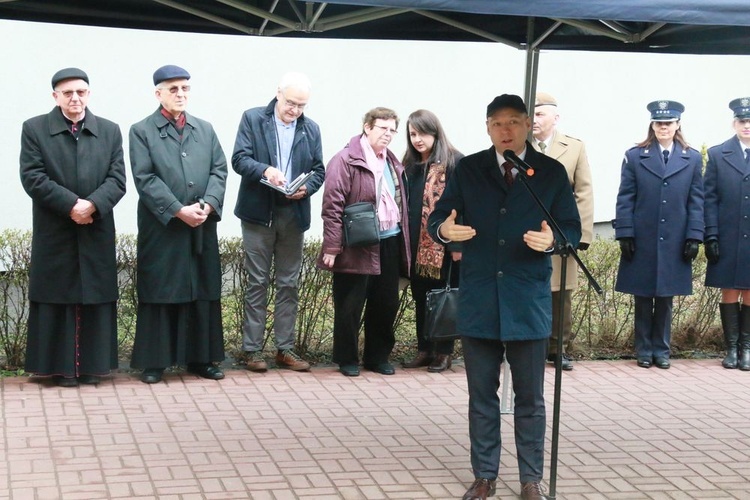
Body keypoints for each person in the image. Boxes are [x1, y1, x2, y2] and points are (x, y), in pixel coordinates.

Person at [428, 94, 581, 500]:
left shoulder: (548, 172)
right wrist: (444, 231)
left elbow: (572, 228)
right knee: (482, 396)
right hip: (480, 297)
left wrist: (553, 241)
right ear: (488, 128)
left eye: (514, 122)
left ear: (528, 125)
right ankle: (485, 477)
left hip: (527, 299)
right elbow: (438, 216)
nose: (506, 131)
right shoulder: (469, 168)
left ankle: (531, 479)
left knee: (530, 397)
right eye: (497, 124)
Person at [20, 67, 126, 388]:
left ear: (89, 94)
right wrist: (71, 205)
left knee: (94, 295)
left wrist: (92, 204)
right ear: (56, 97)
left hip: (96, 227)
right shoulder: (35, 129)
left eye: (81, 92)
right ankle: (59, 369)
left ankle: (93, 368)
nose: (75, 98)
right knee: (58, 296)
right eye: (68, 93)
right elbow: (33, 177)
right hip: (56, 229)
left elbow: (118, 179)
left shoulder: (109, 130)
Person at [129, 65, 228, 384]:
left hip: (202, 223)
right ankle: (155, 362)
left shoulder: (205, 128)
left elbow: (219, 170)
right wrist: (177, 209)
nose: (181, 94)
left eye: (185, 88)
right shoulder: (141, 130)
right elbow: (145, 178)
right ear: (158, 93)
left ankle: (201, 359)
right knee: (161, 288)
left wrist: (209, 204)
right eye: (173, 89)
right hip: (164, 227)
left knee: (202, 288)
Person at [231, 72, 325, 372]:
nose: (295, 110)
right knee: (257, 282)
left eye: (301, 105)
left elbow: (319, 170)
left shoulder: (311, 129)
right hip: (259, 212)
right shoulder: (253, 119)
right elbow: (239, 159)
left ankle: (285, 349)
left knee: (289, 284)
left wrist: (306, 188)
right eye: (290, 103)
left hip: (293, 214)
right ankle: (252, 350)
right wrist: (265, 171)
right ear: (278, 94)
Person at [318, 107, 411, 377]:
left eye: (393, 130)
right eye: (383, 128)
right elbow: (332, 206)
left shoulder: (392, 161)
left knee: (385, 303)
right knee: (349, 304)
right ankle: (347, 358)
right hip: (355, 242)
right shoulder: (344, 160)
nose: (388, 134)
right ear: (367, 127)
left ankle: (377, 357)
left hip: (389, 238)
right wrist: (332, 247)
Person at [614, 100, 704, 370]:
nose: (663, 127)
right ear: (652, 125)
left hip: (675, 237)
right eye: (659, 123)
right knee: (642, 296)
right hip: (643, 236)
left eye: (668, 123)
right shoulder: (635, 155)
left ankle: (661, 350)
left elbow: (696, 200)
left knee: (665, 297)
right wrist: (625, 233)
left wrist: (694, 236)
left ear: (677, 125)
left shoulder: (692, 158)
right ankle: (643, 349)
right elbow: (625, 197)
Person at [532, 92, 594, 371]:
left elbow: (583, 191)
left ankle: (559, 348)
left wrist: (580, 235)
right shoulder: (518, 146)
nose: (534, 119)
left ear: (555, 117)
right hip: (528, 232)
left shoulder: (574, 147)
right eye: (530, 114)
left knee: (560, 294)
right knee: (529, 290)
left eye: (540, 113)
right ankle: (530, 345)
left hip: (560, 230)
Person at [401, 109, 463, 373]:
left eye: (423, 133)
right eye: (413, 134)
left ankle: (444, 352)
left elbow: (464, 206)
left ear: (435, 133)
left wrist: (457, 245)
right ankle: (424, 349)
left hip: (445, 247)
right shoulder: (409, 165)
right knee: (421, 299)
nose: (418, 139)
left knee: (444, 298)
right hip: (415, 246)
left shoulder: (454, 162)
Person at [704, 97, 750, 371]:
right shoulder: (719, 154)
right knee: (730, 290)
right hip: (729, 234)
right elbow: (709, 198)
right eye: (742, 121)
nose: (747, 126)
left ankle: (746, 348)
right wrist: (711, 235)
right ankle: (731, 348)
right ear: (734, 123)